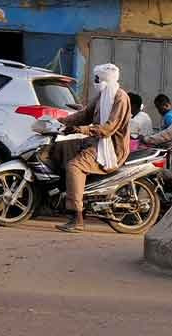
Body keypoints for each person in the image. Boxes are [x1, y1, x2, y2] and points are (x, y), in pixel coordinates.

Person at [51, 63, 131, 233]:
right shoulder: (103, 95)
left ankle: (77, 217)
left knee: (74, 166)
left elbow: (108, 128)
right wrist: (60, 122)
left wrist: (80, 129)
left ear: (104, 79)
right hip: (95, 141)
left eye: (97, 79)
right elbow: (85, 114)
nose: (94, 81)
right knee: (59, 148)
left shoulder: (120, 98)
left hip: (110, 147)